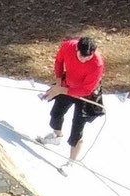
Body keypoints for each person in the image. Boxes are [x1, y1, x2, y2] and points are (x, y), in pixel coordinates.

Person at [40, 35, 106, 164]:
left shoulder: (97, 65)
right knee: (55, 114)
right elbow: (59, 61)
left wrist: (61, 90)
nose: (83, 59)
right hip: (67, 85)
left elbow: (86, 90)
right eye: (81, 55)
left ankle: (71, 161)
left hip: (85, 95)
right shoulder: (68, 46)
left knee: (77, 128)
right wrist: (59, 83)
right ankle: (57, 136)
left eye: (87, 57)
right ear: (77, 48)